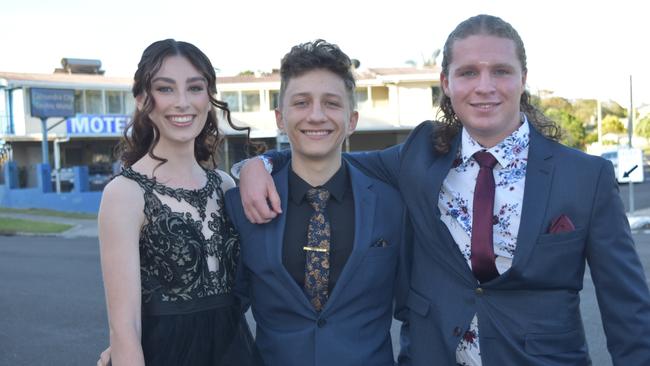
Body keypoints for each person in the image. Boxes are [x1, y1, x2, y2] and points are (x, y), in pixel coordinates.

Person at [237, 15, 650, 365]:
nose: (484, 86)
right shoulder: (420, 155)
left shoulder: (585, 176)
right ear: (446, 83)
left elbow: (627, 309)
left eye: (500, 71)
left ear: (523, 78)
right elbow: (325, 157)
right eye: (468, 72)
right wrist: (259, 163)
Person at [225, 39, 410, 365]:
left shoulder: (393, 203)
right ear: (280, 118)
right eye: (301, 102)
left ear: (351, 121)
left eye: (331, 103)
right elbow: (227, 314)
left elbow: (415, 309)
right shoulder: (240, 205)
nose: (316, 115)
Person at [98, 39, 257, 366]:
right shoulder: (125, 194)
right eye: (166, 89)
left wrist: (262, 166)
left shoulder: (225, 185)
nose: (182, 102)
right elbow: (124, 326)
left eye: (195, 88)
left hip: (237, 352)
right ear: (143, 99)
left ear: (208, 97)